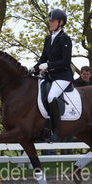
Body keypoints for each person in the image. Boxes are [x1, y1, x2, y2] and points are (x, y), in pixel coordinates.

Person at [32, 8, 73, 142]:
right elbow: (43, 58)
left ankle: (57, 131)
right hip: (50, 76)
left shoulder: (65, 39)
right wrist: (34, 68)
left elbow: (65, 61)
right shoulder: (48, 38)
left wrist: (49, 65)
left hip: (63, 76)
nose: (50, 23)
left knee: (51, 97)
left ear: (60, 23)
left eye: (52, 21)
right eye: (49, 21)